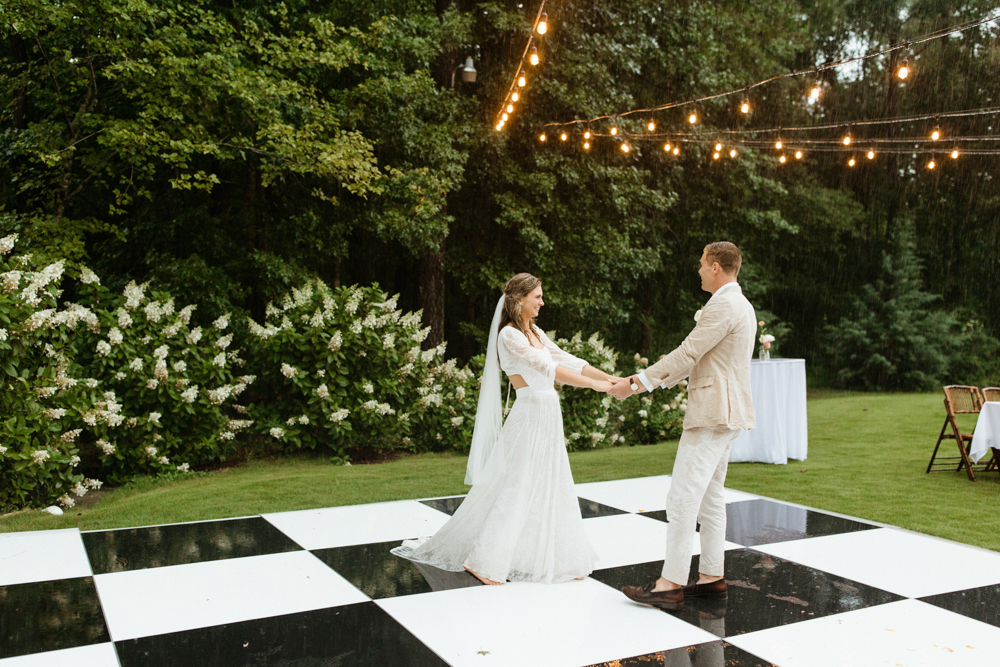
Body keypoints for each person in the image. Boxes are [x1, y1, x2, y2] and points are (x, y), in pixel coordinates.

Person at [392, 273, 622, 585]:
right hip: (529, 415)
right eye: (537, 296)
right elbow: (549, 369)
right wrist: (597, 387)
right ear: (519, 300)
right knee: (516, 484)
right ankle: (484, 562)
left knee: (552, 481)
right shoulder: (509, 336)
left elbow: (570, 360)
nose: (542, 301)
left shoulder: (536, 332)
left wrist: (611, 379)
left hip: (548, 414)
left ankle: (560, 559)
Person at [611, 242, 756, 609]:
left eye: (702, 264)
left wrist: (636, 383)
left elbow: (690, 352)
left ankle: (670, 584)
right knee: (709, 499)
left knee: (681, 499)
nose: (698, 270)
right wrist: (654, 378)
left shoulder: (723, 303)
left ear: (717, 268)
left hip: (712, 413)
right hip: (727, 412)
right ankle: (710, 578)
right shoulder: (742, 304)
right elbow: (704, 357)